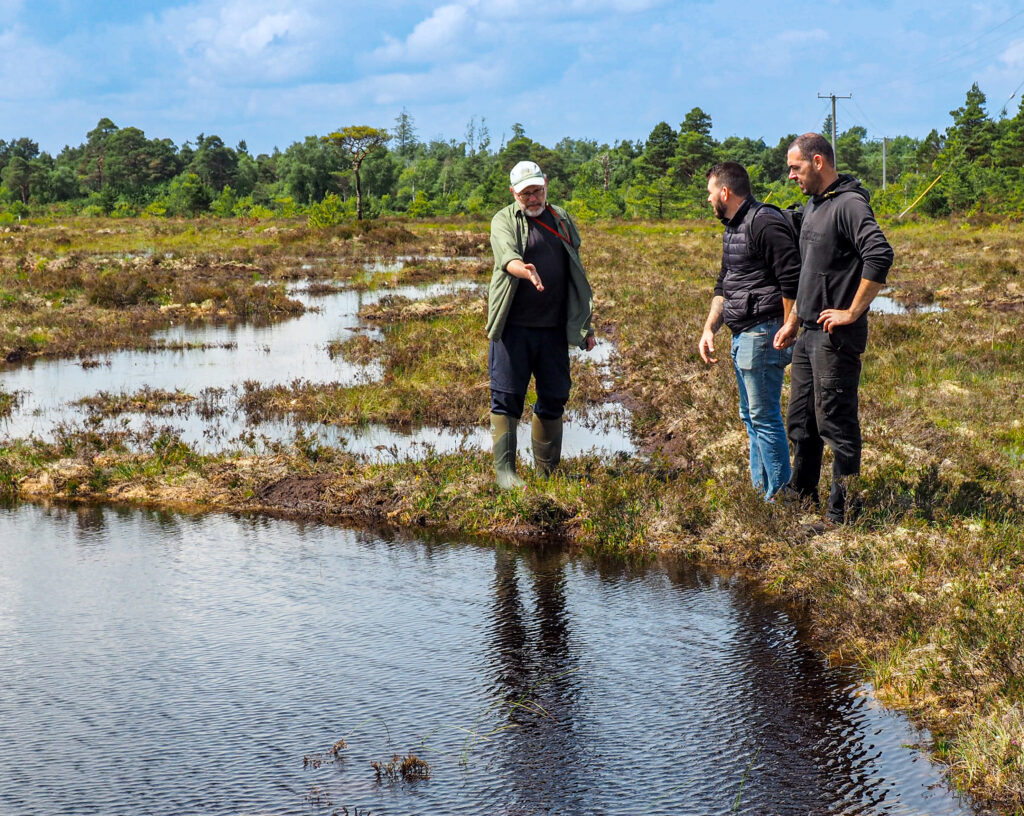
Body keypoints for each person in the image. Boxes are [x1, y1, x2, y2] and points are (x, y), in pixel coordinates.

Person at [773, 133, 894, 524]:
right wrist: (793, 320)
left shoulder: (850, 204)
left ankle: (844, 514)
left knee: (835, 424)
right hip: (807, 333)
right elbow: (809, 271)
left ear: (818, 162)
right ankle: (801, 497)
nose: (792, 175)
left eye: (796, 167)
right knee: (801, 421)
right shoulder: (813, 205)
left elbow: (880, 253)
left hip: (835, 338)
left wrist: (851, 312)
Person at [486, 160, 596, 489]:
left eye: (537, 191)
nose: (533, 199)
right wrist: (524, 270)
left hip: (552, 328)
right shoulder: (504, 220)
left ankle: (547, 472)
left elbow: (576, 273)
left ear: (546, 184)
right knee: (506, 398)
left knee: (554, 396)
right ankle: (505, 474)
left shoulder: (561, 218)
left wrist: (585, 325)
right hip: (513, 328)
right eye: (525, 194)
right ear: (513, 193)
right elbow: (507, 257)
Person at [699, 161, 801, 500]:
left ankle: (781, 500)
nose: (708, 199)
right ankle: (763, 497)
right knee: (751, 417)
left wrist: (788, 326)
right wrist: (710, 328)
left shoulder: (764, 223)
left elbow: (793, 280)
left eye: (710, 192)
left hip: (764, 333)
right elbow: (724, 285)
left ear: (725, 192)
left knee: (764, 416)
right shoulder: (733, 227)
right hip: (742, 334)